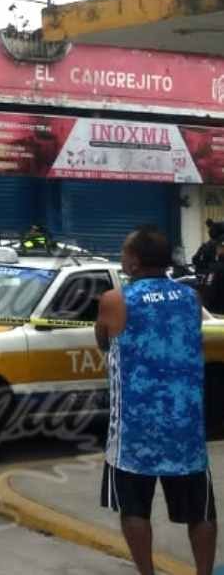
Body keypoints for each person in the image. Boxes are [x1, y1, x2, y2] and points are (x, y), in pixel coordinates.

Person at [95, 226, 217, 575]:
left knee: (134, 508)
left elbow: (104, 341)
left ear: (134, 261)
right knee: (200, 510)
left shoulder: (115, 300)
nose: (121, 257)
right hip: (184, 424)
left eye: (124, 251)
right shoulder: (190, 297)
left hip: (135, 429)